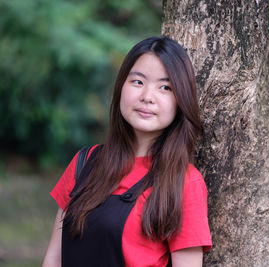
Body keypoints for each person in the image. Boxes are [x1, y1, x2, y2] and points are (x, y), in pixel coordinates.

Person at [43, 36, 212, 267]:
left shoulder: (184, 182)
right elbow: (54, 259)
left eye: (165, 87)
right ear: (121, 86)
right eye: (138, 82)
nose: (147, 97)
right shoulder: (85, 162)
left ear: (180, 100)